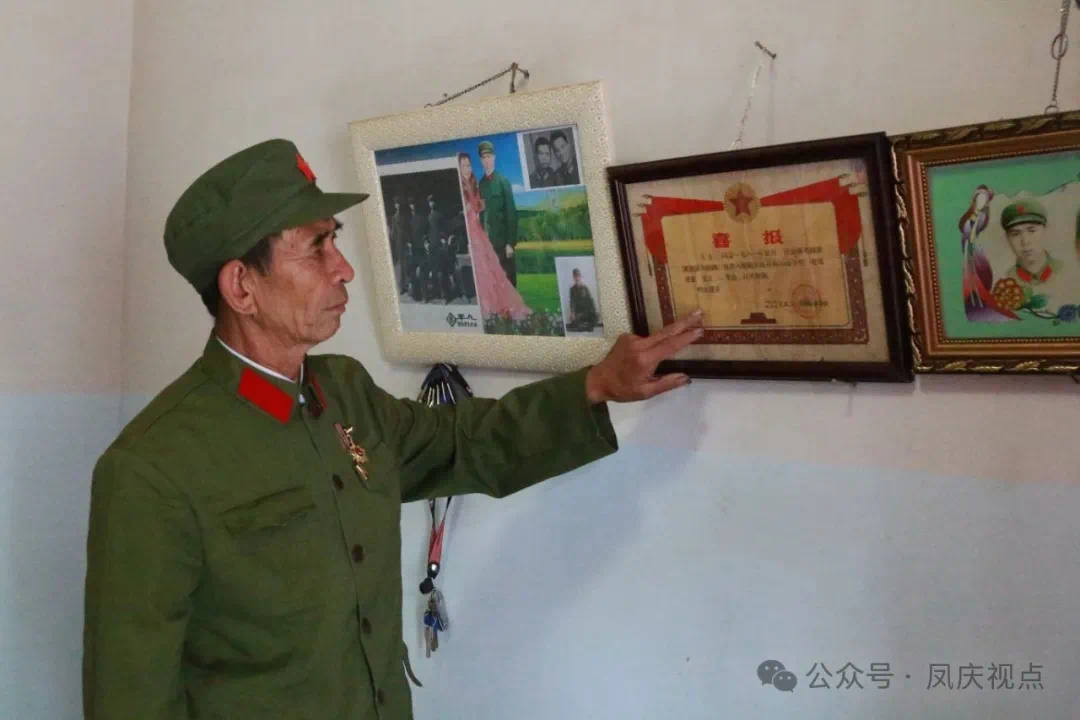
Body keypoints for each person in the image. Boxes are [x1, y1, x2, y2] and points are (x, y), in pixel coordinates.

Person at [81, 138, 703, 720]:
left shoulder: (343, 391)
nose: (344, 269)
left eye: (335, 240)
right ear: (242, 286)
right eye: (316, 247)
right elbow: (130, 700)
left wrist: (597, 385)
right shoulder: (153, 468)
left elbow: (462, 441)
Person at [457, 151, 530, 321]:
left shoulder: (478, 183)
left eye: (469, 165)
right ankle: (489, 308)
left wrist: (479, 208)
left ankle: (503, 307)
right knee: (482, 269)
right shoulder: (462, 185)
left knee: (493, 268)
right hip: (470, 232)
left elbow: (490, 210)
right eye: (463, 166)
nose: (467, 169)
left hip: (480, 231)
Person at [1000, 199, 1066, 308]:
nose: (1025, 241)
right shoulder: (1006, 281)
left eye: (1031, 231)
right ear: (1007, 238)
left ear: (1045, 230)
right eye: (1015, 234)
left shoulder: (1065, 271)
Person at [477, 140, 519, 286]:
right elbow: (481, 215)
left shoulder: (503, 181)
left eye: (489, 157)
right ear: (481, 160)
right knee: (494, 283)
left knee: (509, 283)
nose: (486, 160)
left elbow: (511, 214)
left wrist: (510, 243)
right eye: (483, 158)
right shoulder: (481, 185)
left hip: (503, 244)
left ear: (494, 158)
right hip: (488, 244)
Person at [567, 267, 599, 332]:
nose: (577, 278)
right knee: (572, 319)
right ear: (573, 277)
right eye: (575, 276)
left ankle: (583, 328)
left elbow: (591, 300)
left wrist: (594, 310)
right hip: (578, 313)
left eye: (578, 276)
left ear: (580, 276)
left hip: (587, 312)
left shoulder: (585, 288)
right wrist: (572, 313)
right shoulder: (572, 289)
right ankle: (585, 327)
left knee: (597, 316)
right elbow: (572, 302)